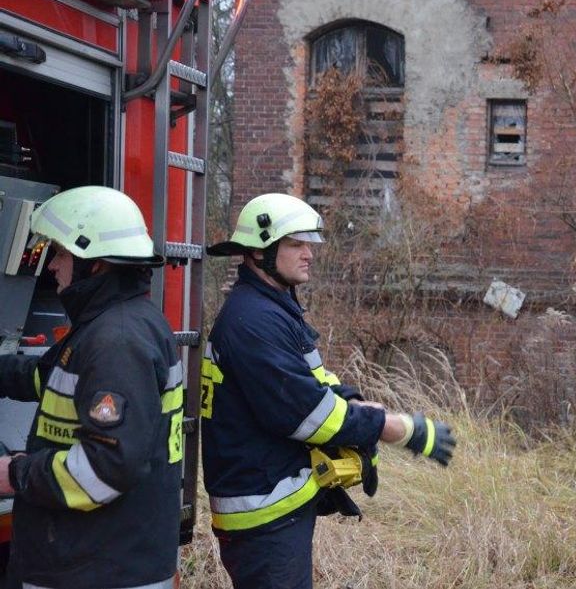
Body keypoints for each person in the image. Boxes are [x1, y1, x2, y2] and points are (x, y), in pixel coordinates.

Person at [202, 193, 456, 588]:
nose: (309, 254)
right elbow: (308, 415)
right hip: (263, 513)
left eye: (310, 244)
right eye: (296, 244)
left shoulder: (274, 306)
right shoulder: (253, 322)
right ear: (259, 251)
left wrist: (353, 402)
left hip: (274, 504)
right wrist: (397, 429)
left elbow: (317, 381)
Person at [0, 186, 183, 588]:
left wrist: (16, 472)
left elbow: (105, 470)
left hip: (96, 569)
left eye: (61, 254)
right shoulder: (120, 323)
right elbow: (51, 379)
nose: (53, 266)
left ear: (94, 263)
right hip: (105, 561)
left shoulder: (116, 341)